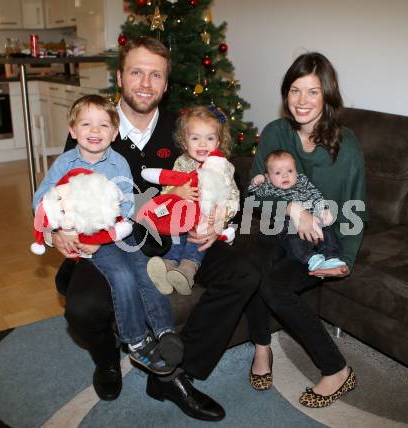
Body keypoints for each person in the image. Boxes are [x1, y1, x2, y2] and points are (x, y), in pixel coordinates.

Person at [51, 37, 259, 421]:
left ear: (165, 84)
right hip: (114, 242)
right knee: (82, 307)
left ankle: (176, 372)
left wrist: (218, 224)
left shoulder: (183, 129)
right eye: (136, 72)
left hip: (177, 235)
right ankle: (106, 360)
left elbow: (225, 182)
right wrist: (60, 228)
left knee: (243, 273)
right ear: (120, 76)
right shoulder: (95, 125)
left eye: (155, 75)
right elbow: (65, 189)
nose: (145, 83)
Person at [246, 52, 366, 408]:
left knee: (275, 286)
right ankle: (262, 348)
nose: (301, 102)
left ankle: (337, 370)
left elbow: (356, 206)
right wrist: (292, 208)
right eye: (294, 91)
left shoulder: (346, 144)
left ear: (327, 95)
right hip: (274, 227)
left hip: (318, 241)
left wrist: (344, 257)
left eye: (312, 92)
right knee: (249, 267)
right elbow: (252, 192)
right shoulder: (275, 132)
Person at [33, 94, 181, 377]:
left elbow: (127, 203)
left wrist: (122, 224)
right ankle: (136, 341)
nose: (94, 131)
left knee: (146, 269)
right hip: (92, 240)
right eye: (86, 124)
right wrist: (56, 228)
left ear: (114, 133)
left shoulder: (118, 164)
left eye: (103, 125)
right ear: (73, 130)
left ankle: (165, 331)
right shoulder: (64, 163)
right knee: (122, 277)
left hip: (120, 233)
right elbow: (40, 200)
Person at [146, 105, 239, 296]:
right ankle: (168, 265)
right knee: (176, 233)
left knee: (198, 236)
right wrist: (177, 191)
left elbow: (233, 197)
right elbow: (166, 191)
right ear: (185, 141)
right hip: (182, 215)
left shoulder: (223, 167)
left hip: (206, 219)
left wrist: (221, 219)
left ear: (219, 141)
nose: (202, 144)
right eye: (195, 138)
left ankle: (188, 269)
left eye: (210, 138)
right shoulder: (181, 163)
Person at [248, 149, 346, 271]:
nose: (285, 175)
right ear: (268, 177)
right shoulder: (269, 187)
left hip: (312, 217)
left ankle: (332, 256)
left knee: (328, 231)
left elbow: (315, 194)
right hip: (287, 224)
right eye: (278, 173)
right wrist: (257, 182)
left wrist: (323, 209)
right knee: (292, 240)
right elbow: (254, 195)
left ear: (296, 172)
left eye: (290, 171)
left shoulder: (303, 181)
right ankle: (311, 258)